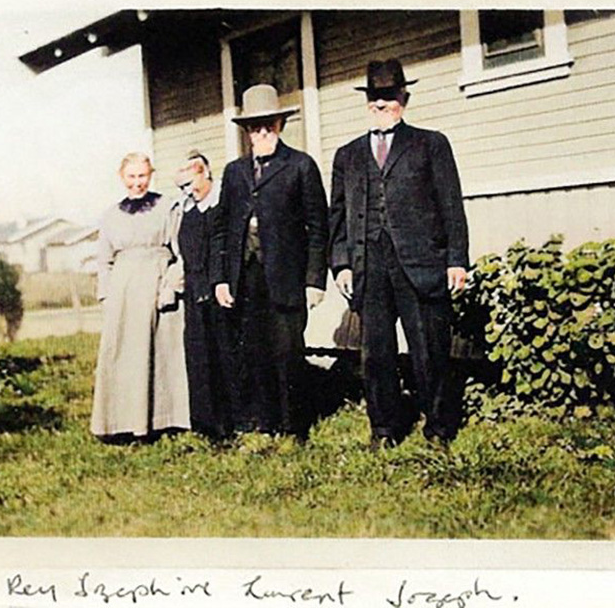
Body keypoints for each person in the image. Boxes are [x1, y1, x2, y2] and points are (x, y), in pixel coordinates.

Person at [328, 59, 470, 448]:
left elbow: (451, 206)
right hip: (369, 265)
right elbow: (336, 215)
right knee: (376, 354)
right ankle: (385, 429)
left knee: (429, 348)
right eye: (375, 98)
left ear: (404, 99)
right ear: (366, 102)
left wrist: (456, 259)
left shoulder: (431, 144)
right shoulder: (347, 155)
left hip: (420, 261)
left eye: (389, 98)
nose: (382, 105)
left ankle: (439, 428)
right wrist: (341, 264)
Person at [210, 84, 329, 437]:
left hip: (287, 277)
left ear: (280, 125)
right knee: (254, 352)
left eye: (269, 125)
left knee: (288, 353)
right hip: (245, 277)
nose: (262, 132)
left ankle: (295, 426)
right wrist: (221, 278)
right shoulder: (235, 172)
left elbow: (318, 227)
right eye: (255, 127)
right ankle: (264, 421)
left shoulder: (300, 166)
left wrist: (314, 280)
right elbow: (222, 228)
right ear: (246, 132)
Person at [91, 152, 190, 443]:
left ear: (151, 175)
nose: (138, 183)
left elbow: (182, 254)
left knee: (163, 354)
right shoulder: (110, 216)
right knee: (125, 357)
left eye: (142, 176)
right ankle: (124, 423)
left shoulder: (168, 208)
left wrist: (171, 285)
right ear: (122, 178)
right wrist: (107, 298)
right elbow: (103, 262)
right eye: (132, 177)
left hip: (157, 288)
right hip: (123, 295)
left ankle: (166, 421)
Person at [174, 150, 234, 440]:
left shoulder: (221, 204)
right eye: (182, 187)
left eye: (191, 184)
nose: (188, 191)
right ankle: (205, 425)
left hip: (219, 291)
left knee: (225, 356)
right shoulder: (184, 210)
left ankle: (231, 423)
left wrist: (217, 282)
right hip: (193, 292)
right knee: (198, 357)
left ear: (205, 174)